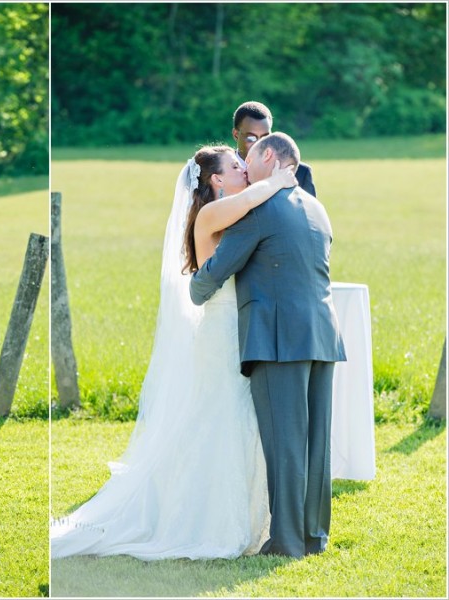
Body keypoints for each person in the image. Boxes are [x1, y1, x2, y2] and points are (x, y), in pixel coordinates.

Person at [50, 147, 297, 560]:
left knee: (235, 420)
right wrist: (279, 179)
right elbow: (256, 199)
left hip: (238, 330)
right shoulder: (212, 214)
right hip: (222, 333)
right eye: (236, 166)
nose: (244, 169)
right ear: (217, 180)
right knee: (221, 420)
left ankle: (245, 516)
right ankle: (208, 522)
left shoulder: (232, 211)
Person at [190, 132, 346, 557]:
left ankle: (287, 541)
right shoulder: (316, 207)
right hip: (322, 335)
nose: (245, 167)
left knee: (285, 443)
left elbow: (216, 270)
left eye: (250, 160)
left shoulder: (259, 210)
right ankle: (313, 537)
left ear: (270, 157)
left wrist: (194, 288)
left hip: (279, 339)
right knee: (316, 444)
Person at [232, 101, 316, 197]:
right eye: (251, 138)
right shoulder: (221, 171)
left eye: (264, 138)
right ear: (236, 135)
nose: (258, 144)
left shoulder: (299, 171)